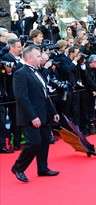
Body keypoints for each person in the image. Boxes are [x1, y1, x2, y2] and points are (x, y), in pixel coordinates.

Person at [11, 46, 60, 182]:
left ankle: (43, 168)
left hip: (44, 114)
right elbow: (22, 98)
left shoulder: (37, 72)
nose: (41, 58)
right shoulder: (20, 73)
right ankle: (18, 167)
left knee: (44, 142)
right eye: (39, 56)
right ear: (30, 58)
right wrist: (33, 116)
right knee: (34, 143)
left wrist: (53, 112)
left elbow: (45, 95)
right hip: (30, 116)